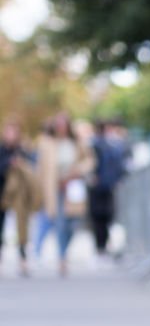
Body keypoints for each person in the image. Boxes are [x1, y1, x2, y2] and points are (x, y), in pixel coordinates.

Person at [35, 112, 95, 276]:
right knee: (59, 222)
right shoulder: (47, 143)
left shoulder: (76, 142)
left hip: (73, 186)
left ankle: (63, 251)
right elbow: (41, 168)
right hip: (55, 189)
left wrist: (77, 171)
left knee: (74, 223)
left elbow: (89, 160)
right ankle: (62, 257)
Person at [0, 120, 38, 276]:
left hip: (19, 194)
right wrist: (10, 163)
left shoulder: (22, 149)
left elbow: (33, 165)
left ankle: (23, 259)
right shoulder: (2, 149)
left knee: (22, 225)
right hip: (2, 191)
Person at [87, 119, 128, 261]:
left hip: (99, 186)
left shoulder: (95, 144)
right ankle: (103, 247)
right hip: (107, 185)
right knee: (105, 217)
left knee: (99, 217)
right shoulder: (112, 145)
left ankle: (101, 247)